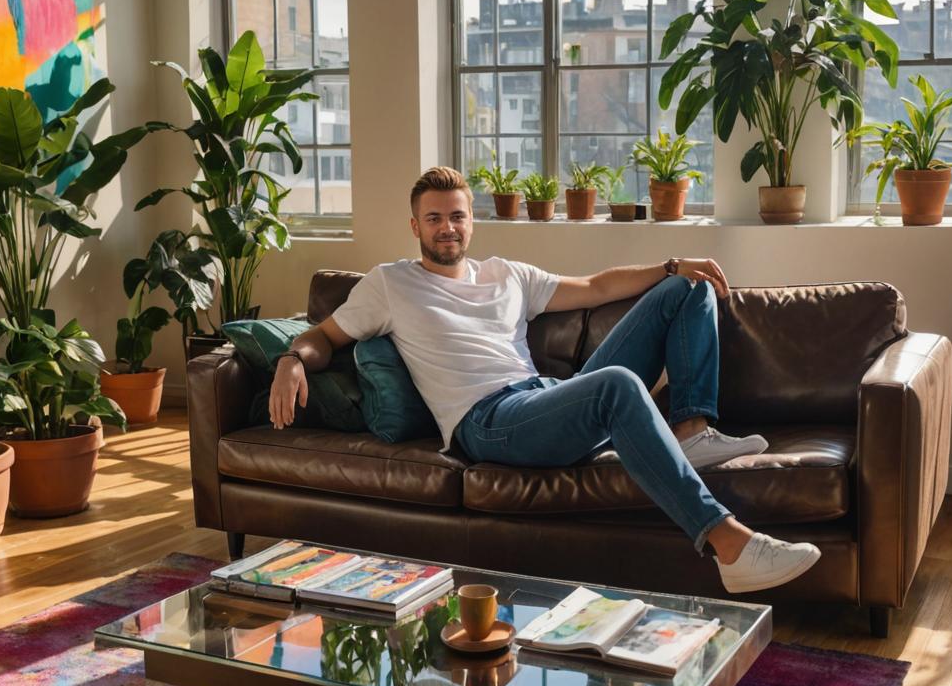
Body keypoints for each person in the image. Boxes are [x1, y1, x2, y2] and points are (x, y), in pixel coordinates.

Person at [269, 167, 821, 594]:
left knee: (687, 286)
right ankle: (731, 547)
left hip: (541, 402)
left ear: (471, 220)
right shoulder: (390, 284)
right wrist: (291, 359)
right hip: (487, 423)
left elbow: (596, 286)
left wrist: (670, 263)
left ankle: (692, 430)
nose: (447, 228)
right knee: (618, 384)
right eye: (434, 218)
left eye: (456, 216)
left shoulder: (505, 274)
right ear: (415, 226)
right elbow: (324, 336)